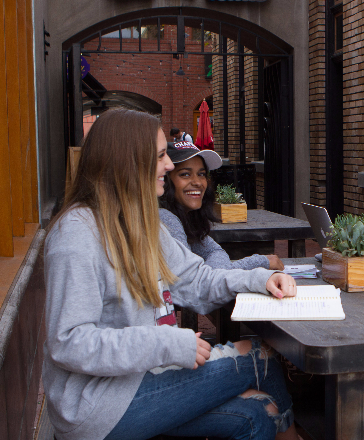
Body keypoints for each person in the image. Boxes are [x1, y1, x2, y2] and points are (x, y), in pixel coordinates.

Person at [44, 108, 299, 440]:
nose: (168, 165)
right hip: (97, 407)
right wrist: (164, 343)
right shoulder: (76, 233)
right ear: (129, 160)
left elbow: (196, 280)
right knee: (261, 356)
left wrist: (258, 278)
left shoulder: (141, 222)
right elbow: (69, 343)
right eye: (162, 155)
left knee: (256, 415)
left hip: (140, 380)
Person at [159, 140, 284, 271]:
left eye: (201, 174)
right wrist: (259, 261)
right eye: (185, 174)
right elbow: (193, 281)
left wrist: (215, 273)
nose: (197, 182)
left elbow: (215, 252)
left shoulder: (188, 217)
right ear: (165, 180)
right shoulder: (165, 218)